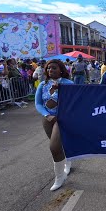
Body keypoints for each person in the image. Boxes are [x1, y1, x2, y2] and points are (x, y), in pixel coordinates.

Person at [35, 60, 74, 191]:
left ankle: (59, 177)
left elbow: (75, 101)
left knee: (54, 147)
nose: (50, 70)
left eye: (54, 68)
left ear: (61, 70)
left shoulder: (69, 84)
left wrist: (62, 90)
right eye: (48, 68)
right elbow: (38, 104)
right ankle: (67, 161)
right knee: (59, 145)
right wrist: (47, 115)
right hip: (47, 118)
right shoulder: (43, 84)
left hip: (62, 119)